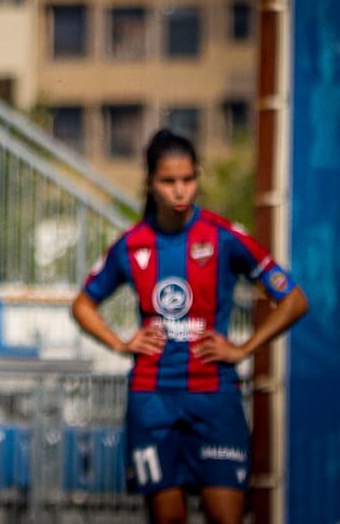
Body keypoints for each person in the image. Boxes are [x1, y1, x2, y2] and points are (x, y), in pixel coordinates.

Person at [71, 129, 309, 524]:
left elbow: (294, 299)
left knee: (226, 517)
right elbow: (83, 304)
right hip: (152, 401)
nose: (180, 191)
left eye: (188, 179)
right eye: (168, 181)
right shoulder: (132, 244)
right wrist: (119, 342)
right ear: (150, 183)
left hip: (214, 398)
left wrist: (244, 348)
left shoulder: (223, 236)